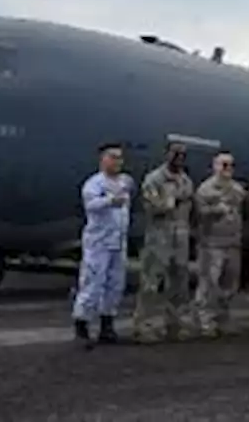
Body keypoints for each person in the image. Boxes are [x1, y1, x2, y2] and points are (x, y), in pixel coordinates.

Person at [130, 142, 195, 343]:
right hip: (159, 236)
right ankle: (143, 326)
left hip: (180, 236)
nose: (179, 158)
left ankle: (175, 324)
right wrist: (171, 201)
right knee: (151, 282)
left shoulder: (186, 180)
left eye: (183, 154)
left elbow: (189, 208)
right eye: (175, 153)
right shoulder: (155, 179)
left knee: (178, 282)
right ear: (166, 154)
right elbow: (152, 206)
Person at [72, 143, 132, 348]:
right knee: (92, 282)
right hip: (99, 241)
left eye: (119, 158)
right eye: (112, 157)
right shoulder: (94, 184)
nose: (117, 162)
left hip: (118, 240)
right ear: (103, 159)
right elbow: (91, 205)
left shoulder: (124, 182)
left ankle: (107, 325)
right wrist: (109, 201)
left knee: (115, 284)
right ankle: (82, 324)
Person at [193, 150, 246, 337]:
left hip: (232, 243)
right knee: (209, 283)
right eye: (223, 165)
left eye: (230, 165)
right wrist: (216, 210)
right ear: (214, 166)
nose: (227, 169)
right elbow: (198, 214)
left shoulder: (238, 189)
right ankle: (205, 321)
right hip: (212, 244)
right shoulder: (205, 189)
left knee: (229, 283)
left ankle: (223, 319)